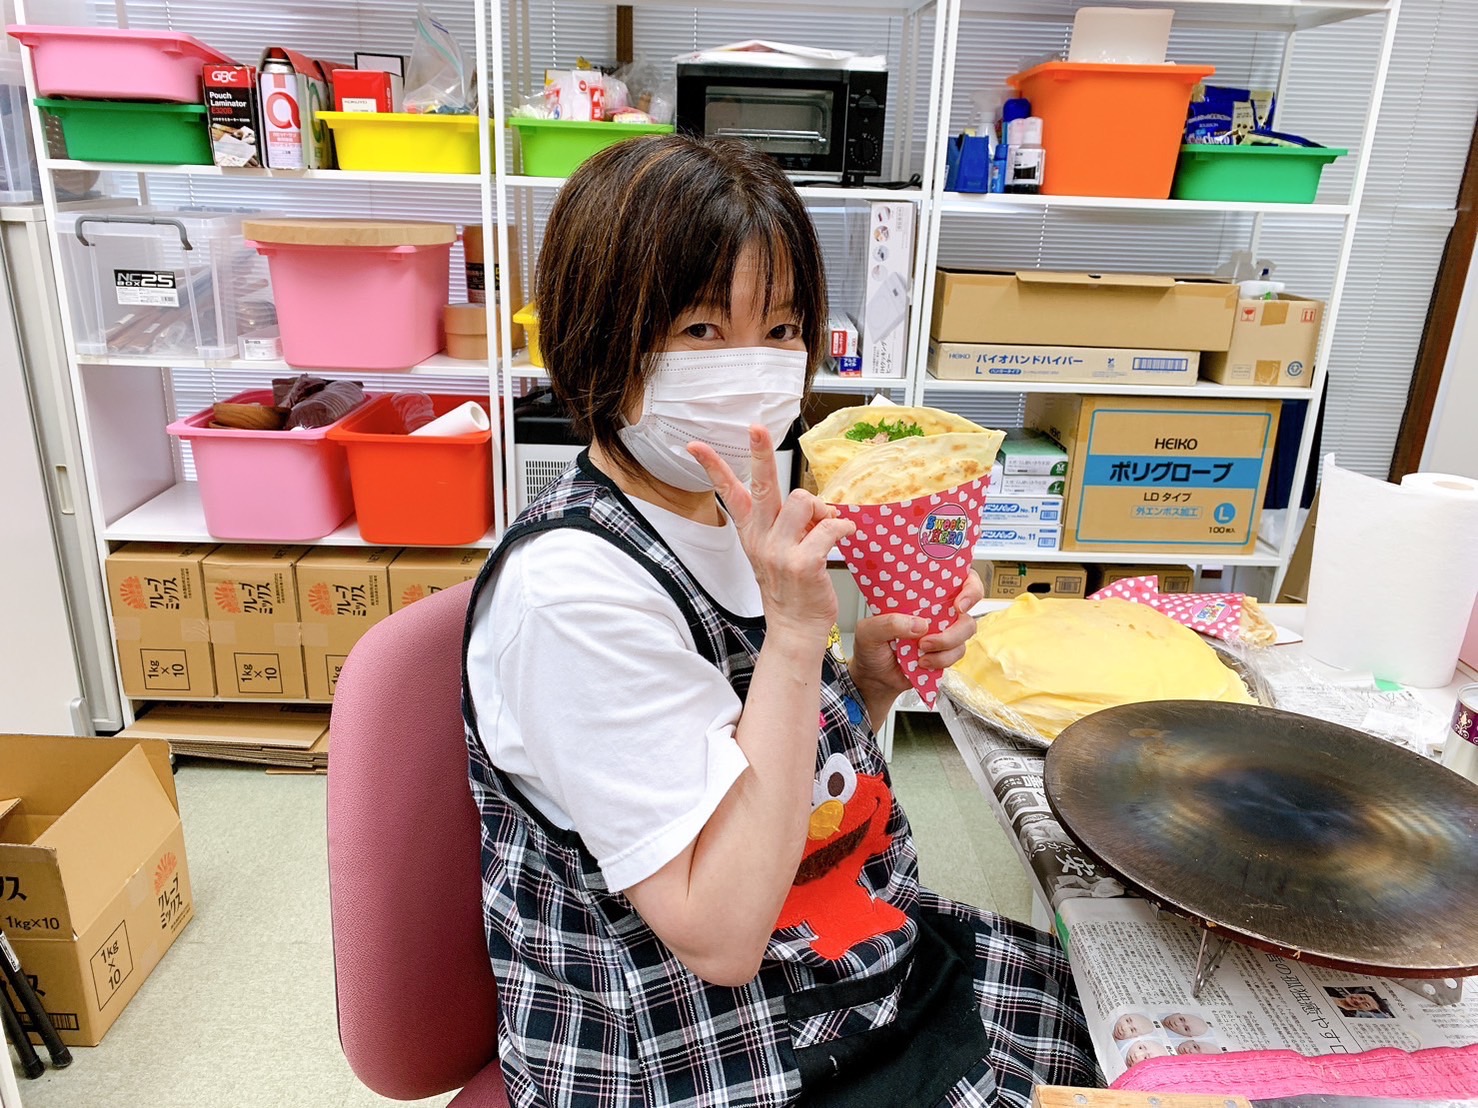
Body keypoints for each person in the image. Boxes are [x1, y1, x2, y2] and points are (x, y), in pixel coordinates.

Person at [463, 134, 1096, 1107]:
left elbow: (778, 782)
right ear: (602, 334)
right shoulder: (570, 596)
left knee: (1113, 1017)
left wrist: (869, 678)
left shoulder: (725, 507)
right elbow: (717, 932)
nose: (753, 370)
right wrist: (801, 642)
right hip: (701, 1043)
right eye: (705, 330)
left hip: (832, 960)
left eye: (782, 328)